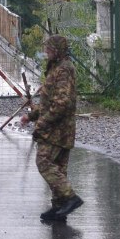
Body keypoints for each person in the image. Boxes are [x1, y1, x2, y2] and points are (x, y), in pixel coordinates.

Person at [21, 34, 83, 222]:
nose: (45, 51)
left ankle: (70, 197)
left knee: (44, 162)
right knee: (58, 167)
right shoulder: (56, 68)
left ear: (57, 50)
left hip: (58, 129)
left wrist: (43, 123)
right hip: (59, 128)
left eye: (48, 48)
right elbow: (49, 102)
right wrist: (31, 116)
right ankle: (59, 208)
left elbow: (61, 103)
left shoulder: (64, 70)